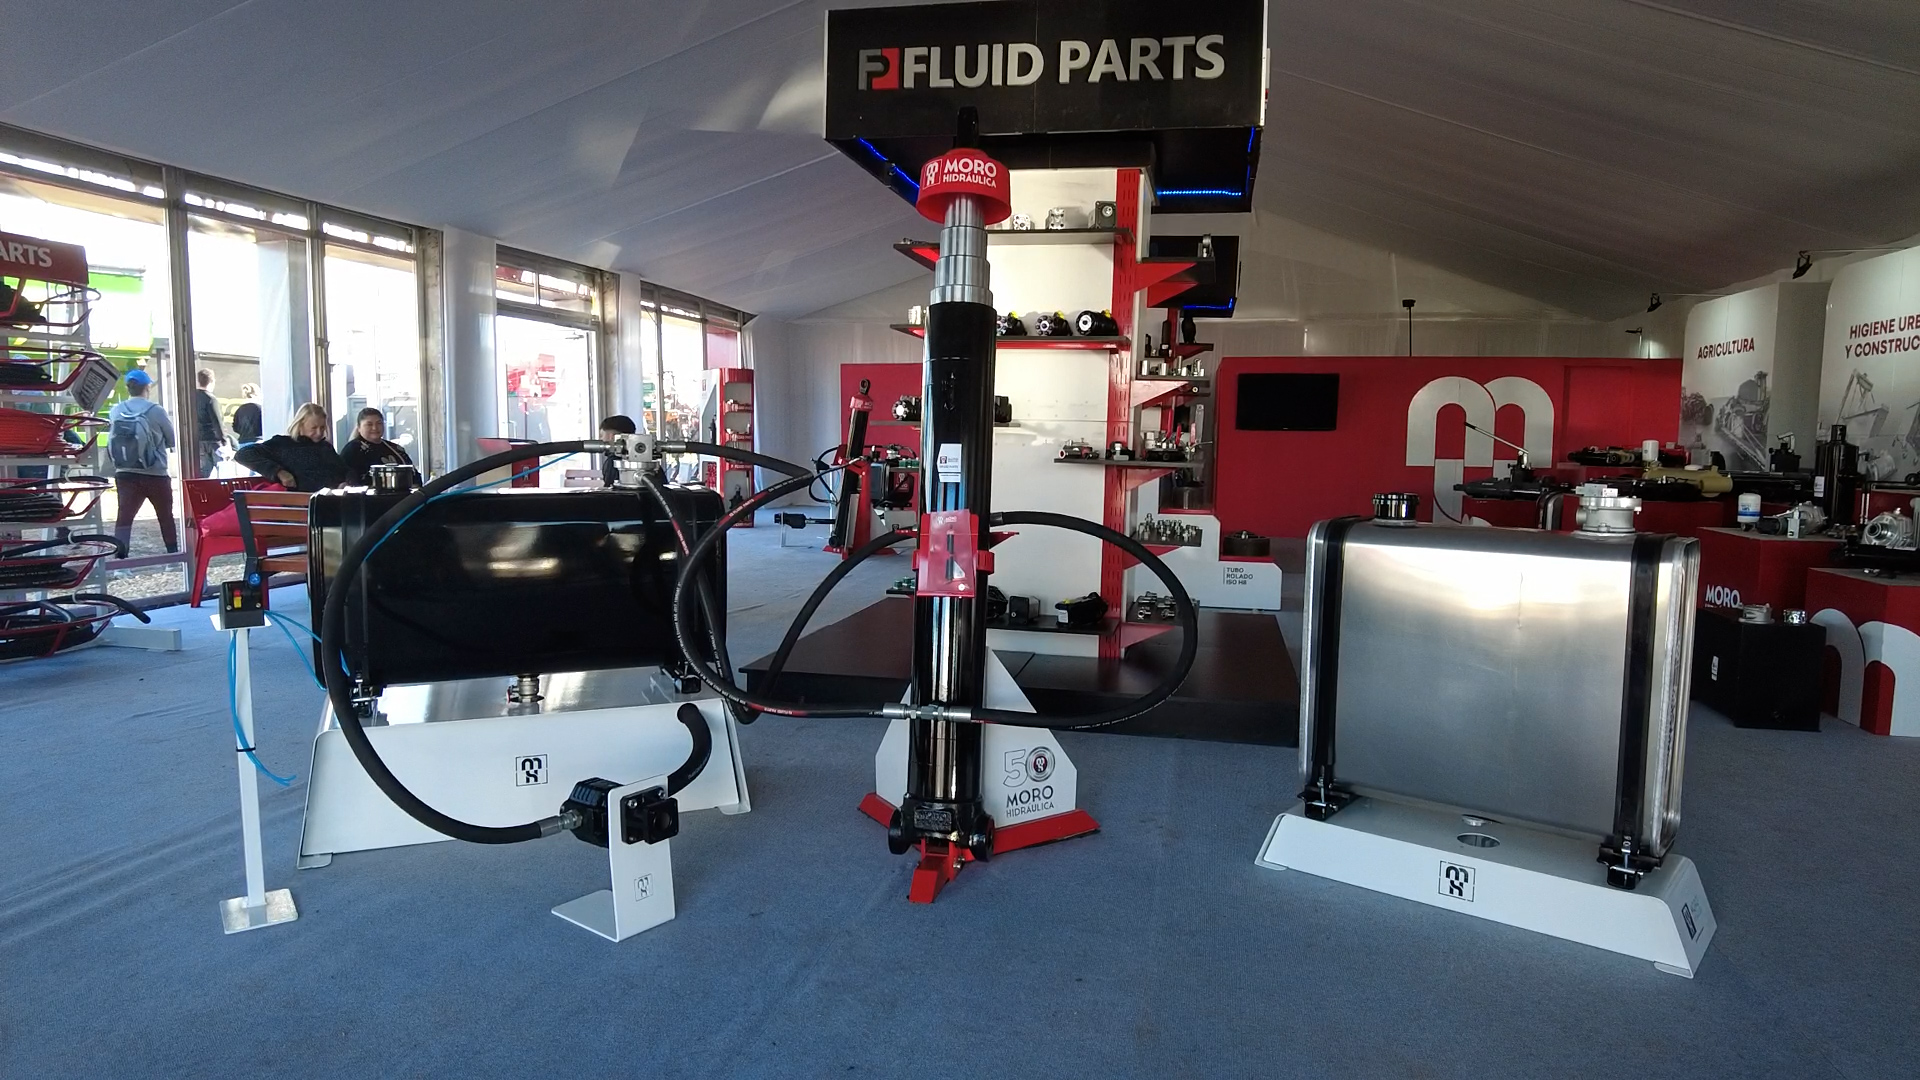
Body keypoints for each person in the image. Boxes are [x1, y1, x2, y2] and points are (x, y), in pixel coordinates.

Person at [106, 368, 178, 553]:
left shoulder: (116, 410)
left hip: (125, 473)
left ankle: (121, 555)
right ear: (148, 387)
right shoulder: (156, 411)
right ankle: (172, 553)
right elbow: (172, 440)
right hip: (155, 473)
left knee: (124, 517)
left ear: (128, 388)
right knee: (165, 516)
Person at [236, 402, 347, 491]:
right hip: (299, 504)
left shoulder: (325, 447)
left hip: (329, 500)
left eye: (322, 428)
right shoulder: (282, 444)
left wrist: (345, 483)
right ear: (299, 425)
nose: (319, 433)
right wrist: (278, 472)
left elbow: (344, 470)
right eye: (313, 428)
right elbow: (243, 454)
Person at [338, 406, 413, 485]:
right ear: (359, 428)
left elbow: (413, 473)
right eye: (369, 424)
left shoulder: (396, 449)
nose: (375, 428)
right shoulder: (352, 450)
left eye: (379, 423)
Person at [192, 368, 225, 478]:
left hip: (199, 440)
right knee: (222, 471)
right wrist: (224, 441)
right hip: (213, 440)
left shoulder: (191, 398)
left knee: (204, 473)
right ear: (212, 381)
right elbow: (217, 422)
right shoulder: (211, 399)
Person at [598, 414, 638, 486]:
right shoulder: (644, 460)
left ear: (611, 436)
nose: (600, 439)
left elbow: (610, 487)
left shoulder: (612, 462)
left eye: (601, 435)